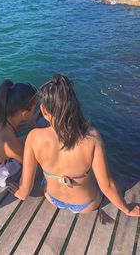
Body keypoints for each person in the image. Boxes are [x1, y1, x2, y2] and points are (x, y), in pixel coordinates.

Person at [8, 74, 140, 216]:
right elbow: (106, 185)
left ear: (44, 111)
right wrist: (127, 209)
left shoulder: (33, 137)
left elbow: (26, 187)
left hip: (52, 198)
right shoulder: (92, 137)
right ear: (74, 107)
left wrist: (20, 193)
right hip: (86, 205)